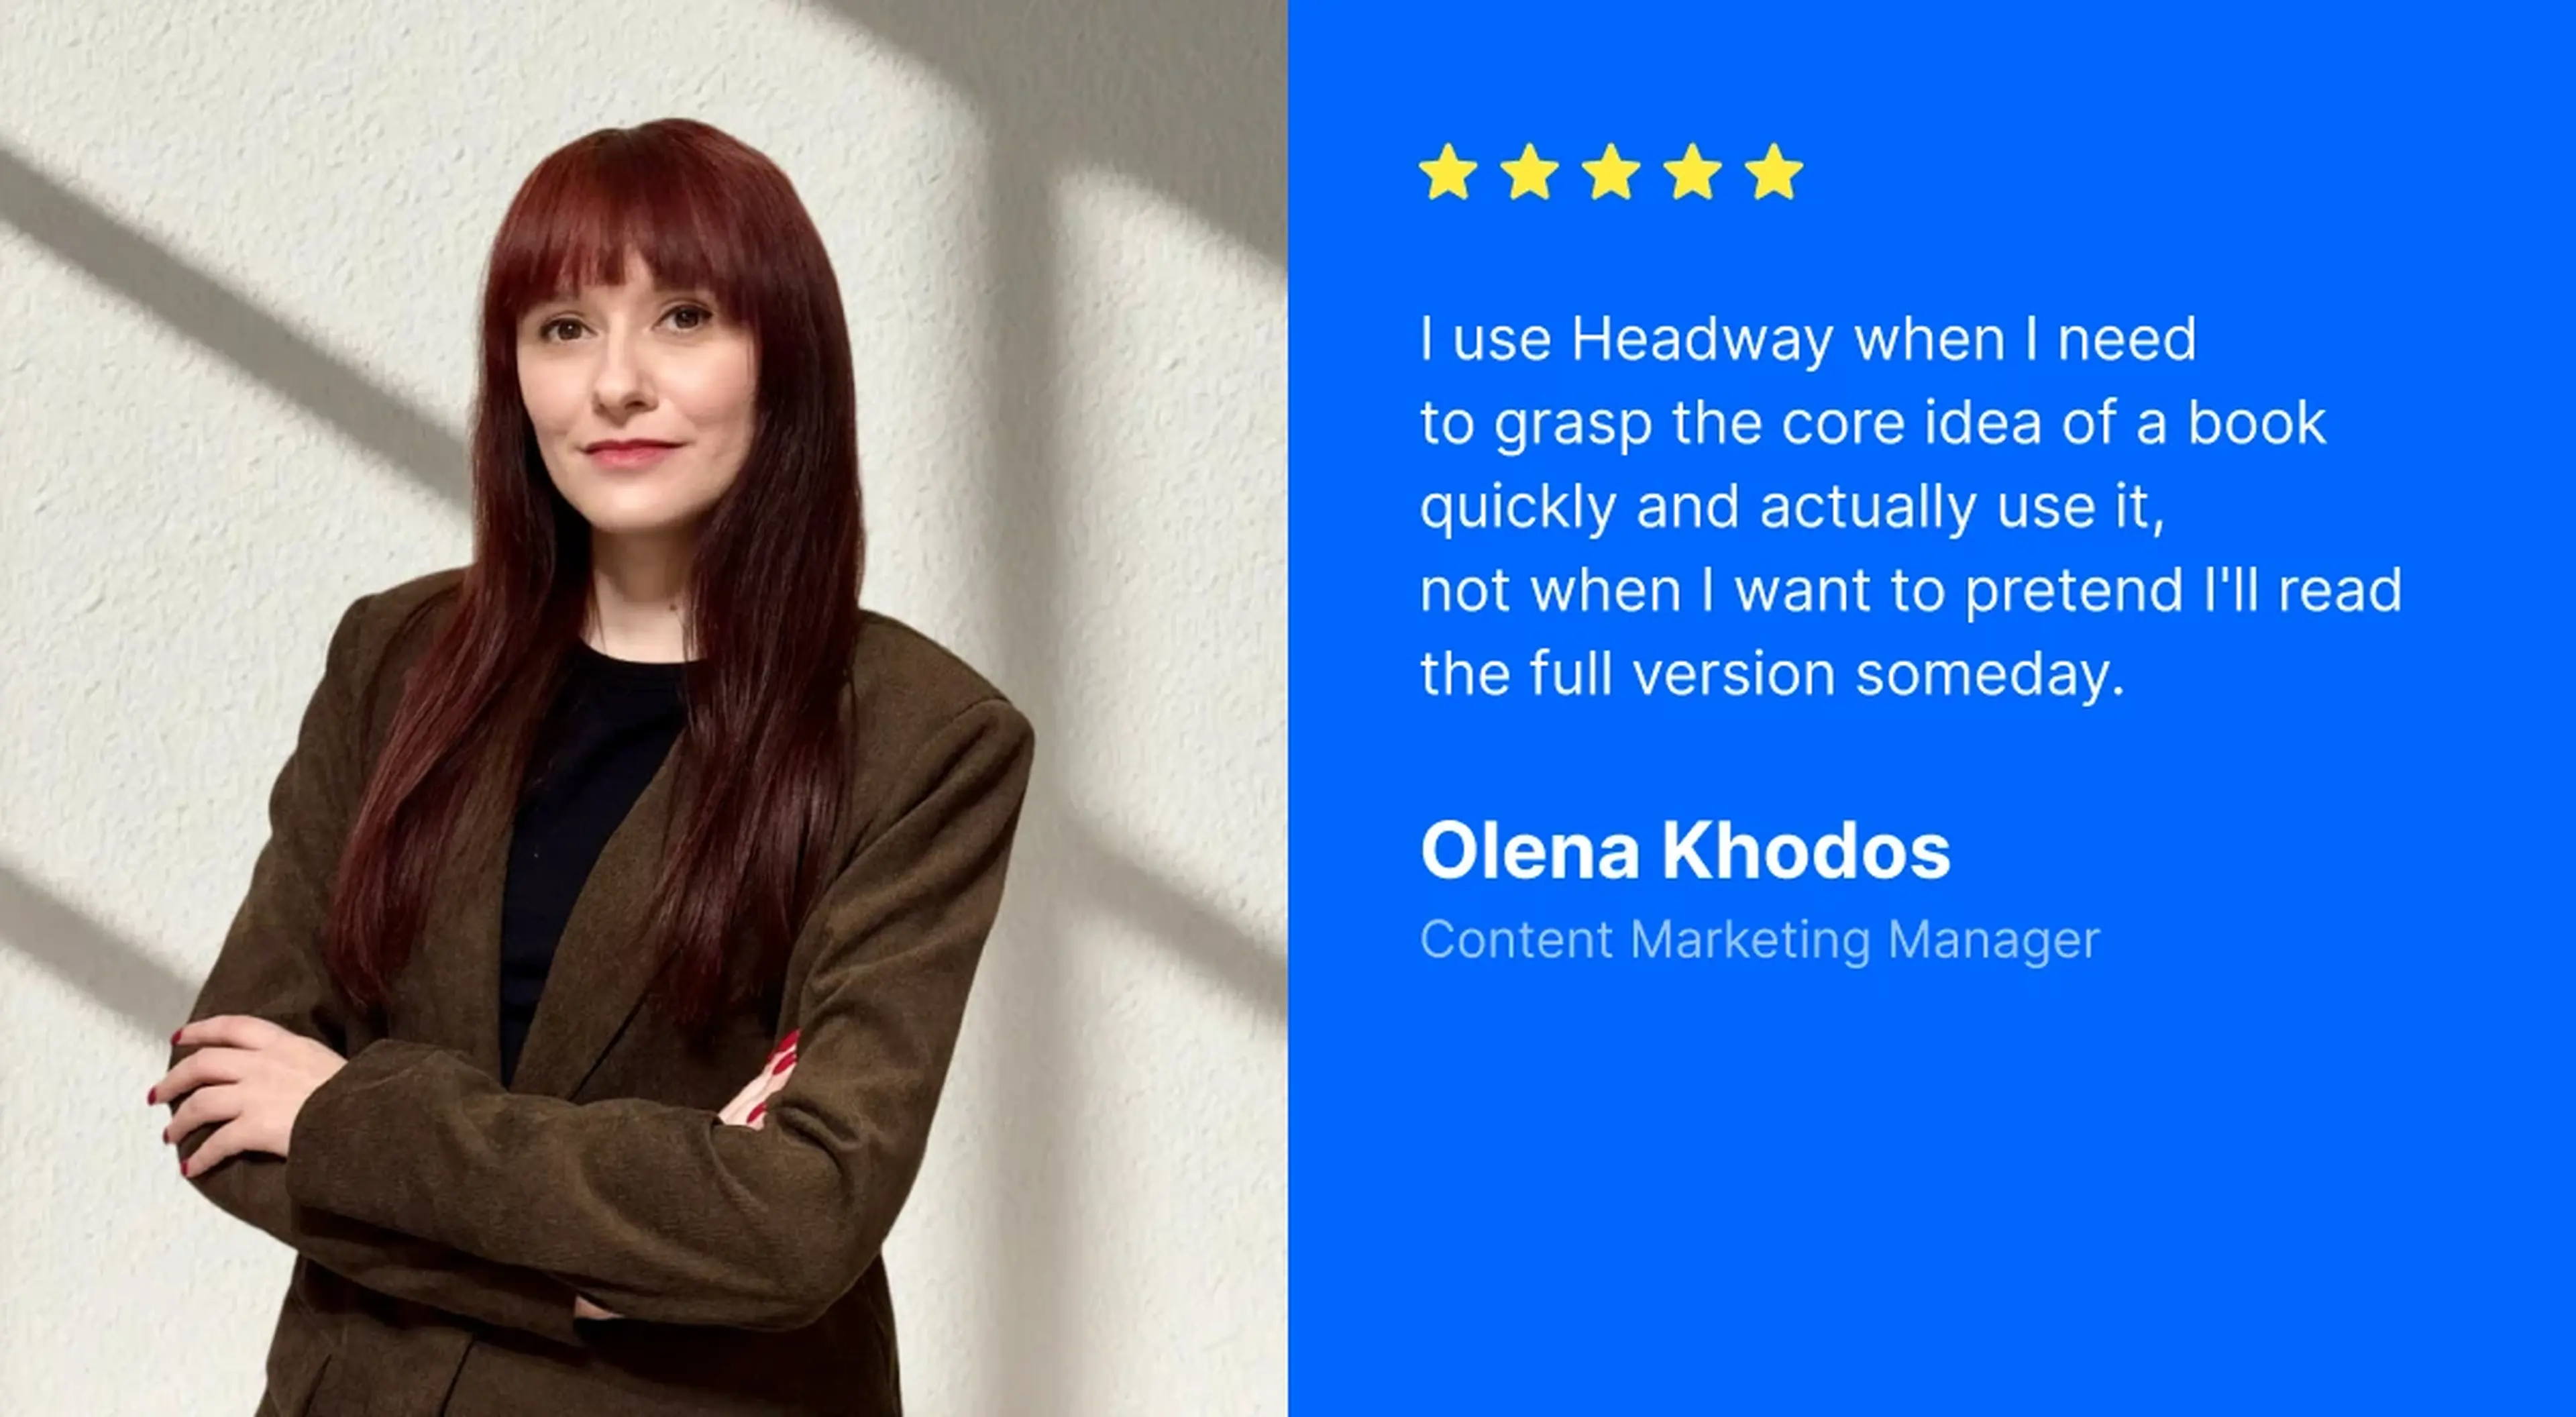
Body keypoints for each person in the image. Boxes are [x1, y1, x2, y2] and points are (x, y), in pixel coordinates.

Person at [143, 118, 1036, 1416]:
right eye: (563, 328)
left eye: (683, 318)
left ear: (786, 360)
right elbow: (221, 1100)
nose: (616, 383)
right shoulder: (394, 658)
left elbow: (801, 1217)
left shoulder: (924, 737)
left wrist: (344, 1120)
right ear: (514, 375)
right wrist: (622, 1256)